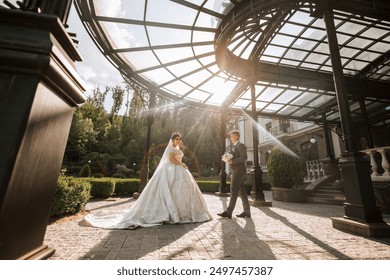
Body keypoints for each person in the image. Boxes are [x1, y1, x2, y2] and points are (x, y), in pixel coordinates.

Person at [84, 132, 212, 229]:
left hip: (177, 169)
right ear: (172, 140)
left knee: (181, 190)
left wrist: (181, 165)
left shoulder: (177, 148)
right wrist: (182, 164)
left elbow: (175, 159)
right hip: (171, 169)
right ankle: (172, 213)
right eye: (176, 139)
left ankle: (184, 212)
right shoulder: (172, 149)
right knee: (169, 189)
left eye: (179, 139)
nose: (177, 140)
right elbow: (172, 160)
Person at [218, 130, 251, 218]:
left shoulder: (241, 145)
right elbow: (231, 159)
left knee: (233, 190)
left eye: (232, 136)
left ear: (236, 136)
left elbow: (244, 157)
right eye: (230, 137)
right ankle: (247, 211)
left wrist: (233, 161)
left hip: (239, 171)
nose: (230, 138)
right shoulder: (233, 146)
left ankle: (229, 212)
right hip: (235, 171)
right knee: (242, 192)